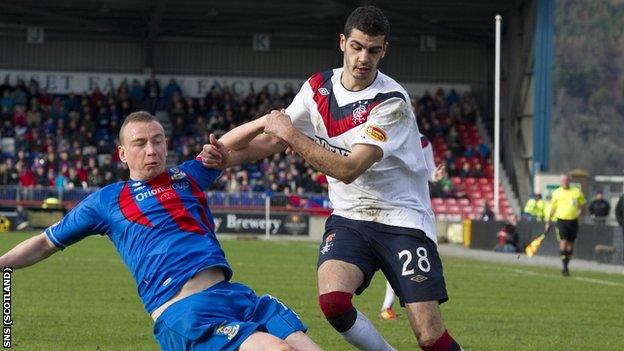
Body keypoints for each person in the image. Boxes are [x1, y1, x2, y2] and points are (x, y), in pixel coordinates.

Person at [203, 6, 462, 351]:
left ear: (384, 50)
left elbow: (349, 168)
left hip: (403, 219)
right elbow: (272, 139)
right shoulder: (317, 88)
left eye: (372, 50)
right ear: (343, 43)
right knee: (334, 302)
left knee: (430, 337)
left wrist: (293, 137)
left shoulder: (391, 102)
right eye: (356, 47)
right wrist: (228, 158)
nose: (363, 58)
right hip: (350, 217)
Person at [0, 111, 321, 351]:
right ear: (123, 154)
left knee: (306, 346)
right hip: (187, 314)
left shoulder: (187, 176)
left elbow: (222, 146)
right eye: (140, 144)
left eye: (157, 141)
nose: (151, 150)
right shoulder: (105, 201)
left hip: (235, 296)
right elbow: (45, 241)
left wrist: (267, 120)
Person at [379, 133, 445, 322]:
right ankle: (392, 306)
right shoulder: (385, 134)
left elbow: (429, 172)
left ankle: (390, 307)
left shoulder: (423, 141)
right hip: (388, 203)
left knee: (404, 259)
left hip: (413, 207)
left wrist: (436, 175)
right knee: (395, 259)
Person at [545, 174, 586, 277]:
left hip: (573, 221)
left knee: (570, 244)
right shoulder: (557, 193)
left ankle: (566, 266)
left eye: (566, 180)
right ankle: (564, 267)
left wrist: (581, 211)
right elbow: (553, 208)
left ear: (569, 181)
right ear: (560, 181)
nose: (564, 182)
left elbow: (583, 203)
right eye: (563, 180)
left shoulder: (576, 192)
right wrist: (548, 222)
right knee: (563, 241)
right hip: (561, 220)